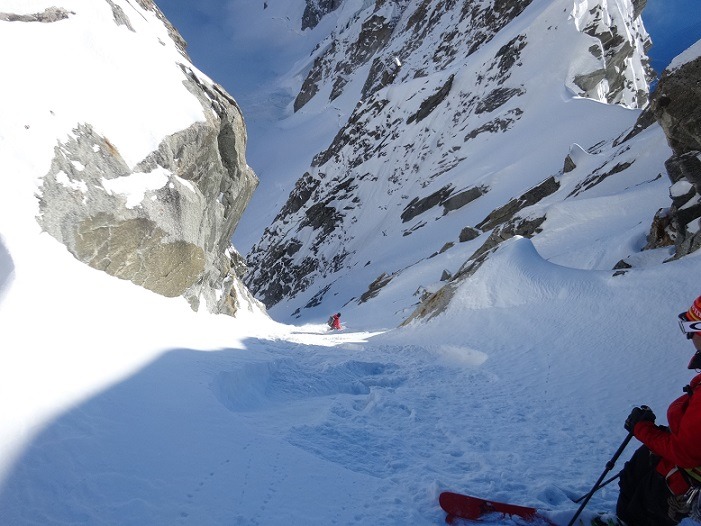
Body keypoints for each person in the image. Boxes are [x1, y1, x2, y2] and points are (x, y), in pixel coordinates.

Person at [616, 294, 701, 525]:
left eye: (691, 328)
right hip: (684, 461)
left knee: (645, 509)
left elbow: (685, 453)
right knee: (635, 473)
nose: (690, 336)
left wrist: (642, 429)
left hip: (686, 474)